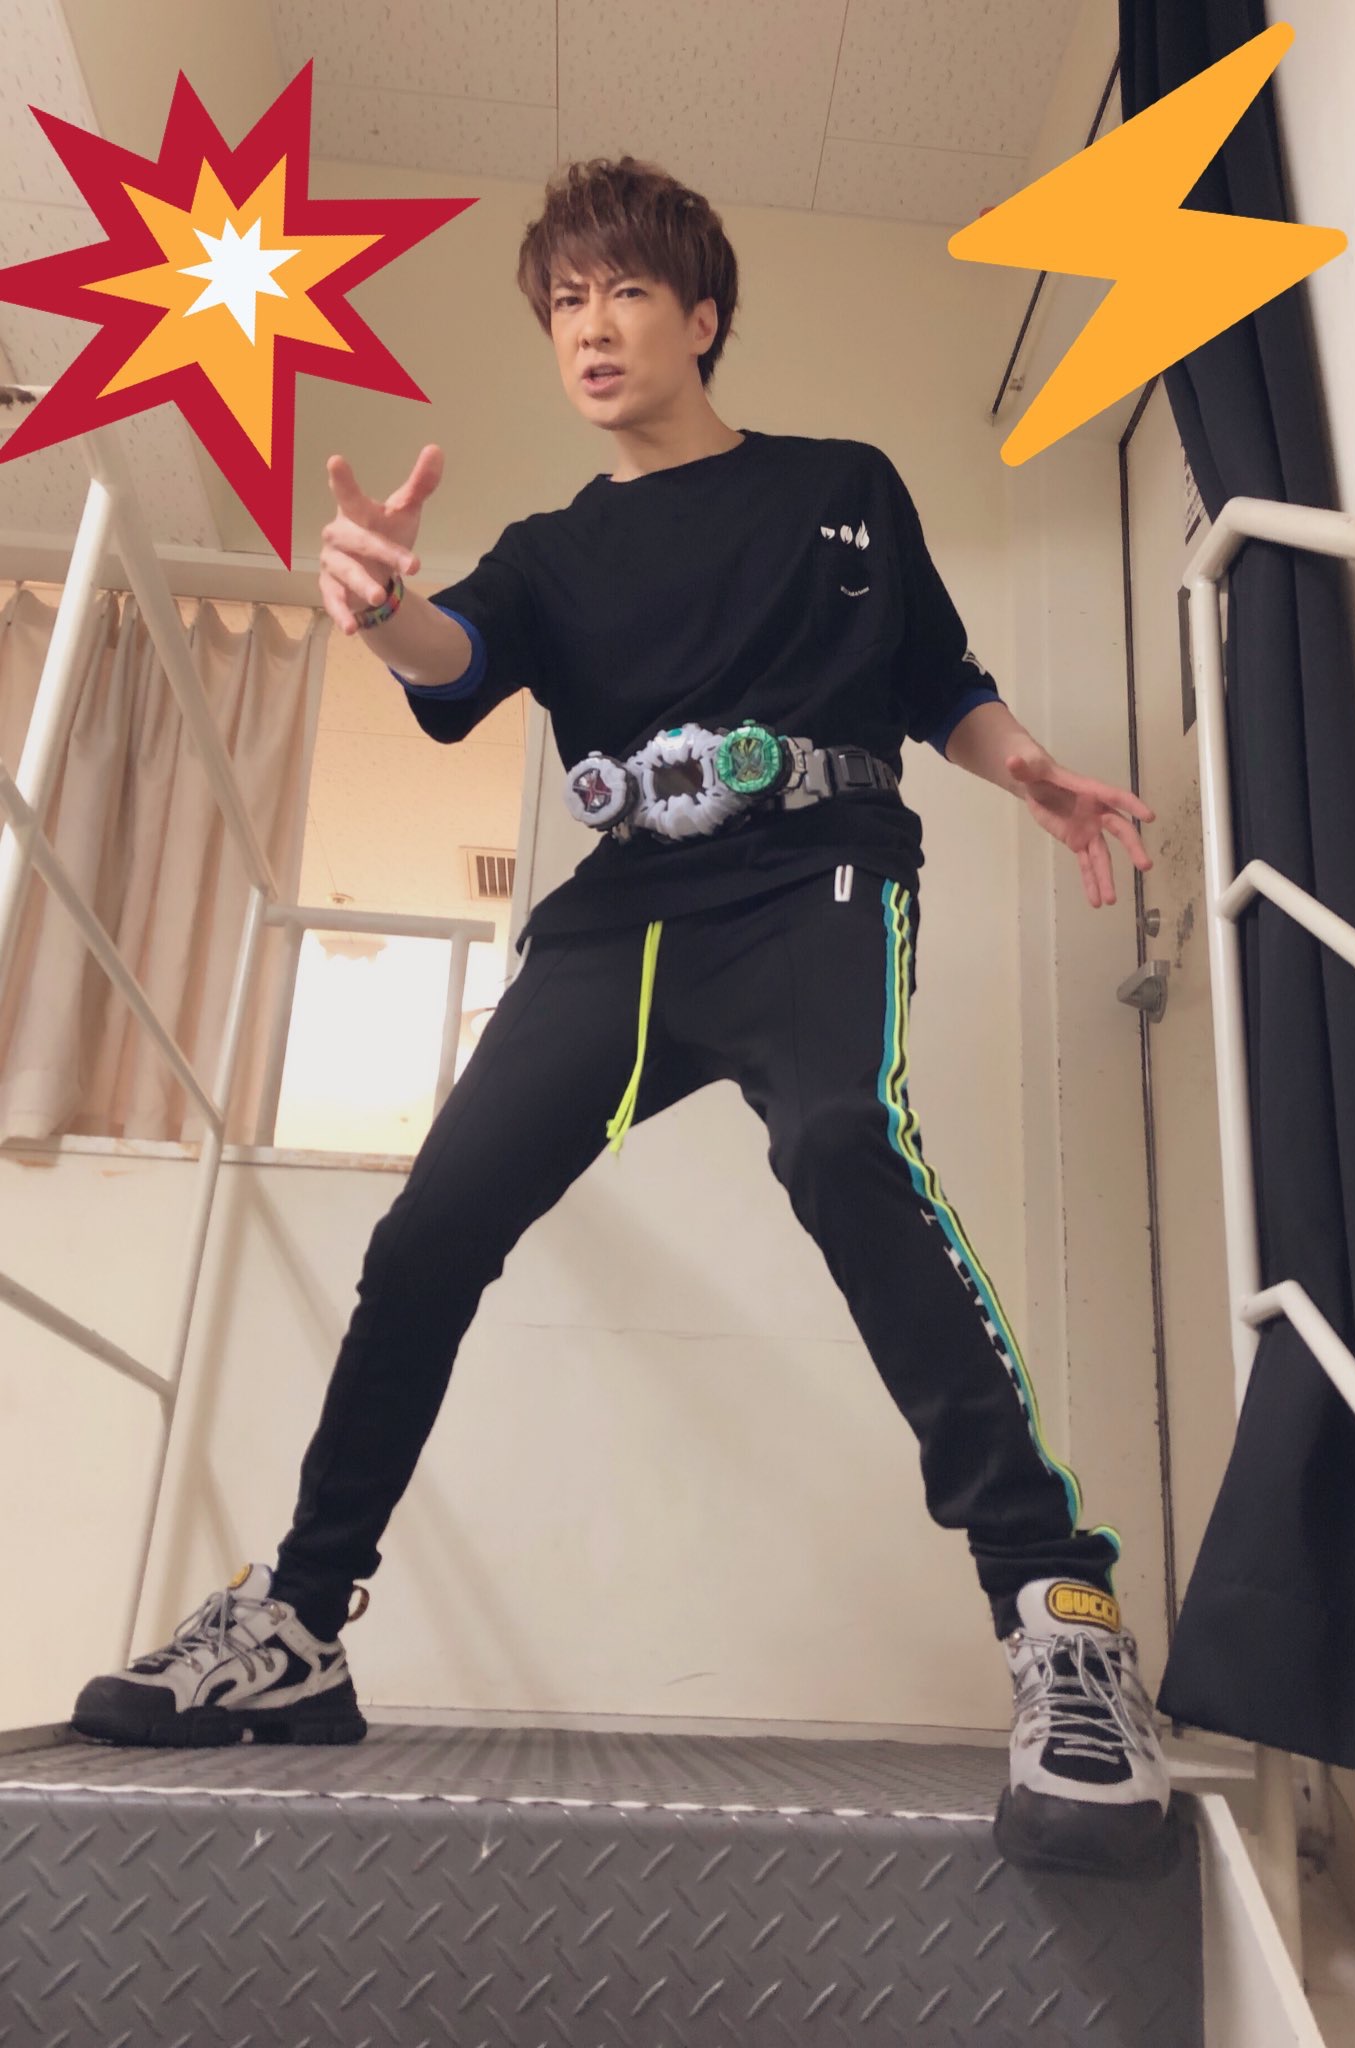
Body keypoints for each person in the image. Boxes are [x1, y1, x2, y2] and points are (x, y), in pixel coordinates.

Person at [73, 156, 1172, 1878]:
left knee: (842, 1139)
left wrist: (1019, 761)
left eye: (626, 294)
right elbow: (456, 658)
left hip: (815, 874)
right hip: (626, 916)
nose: (590, 329)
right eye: (565, 304)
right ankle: (299, 1622)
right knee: (429, 1233)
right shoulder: (555, 551)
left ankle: (1058, 1607)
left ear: (702, 316)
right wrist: (384, 609)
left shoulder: (840, 486)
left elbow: (937, 677)